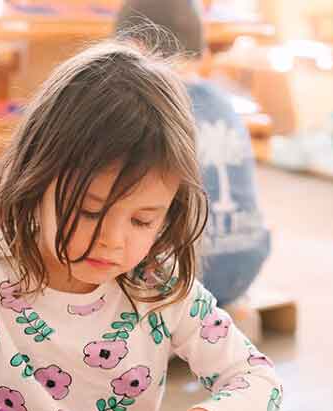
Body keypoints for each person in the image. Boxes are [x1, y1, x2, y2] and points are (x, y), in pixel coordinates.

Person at [0, 41, 282, 411]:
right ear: (35, 178)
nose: (113, 241)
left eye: (143, 220)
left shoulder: (156, 281)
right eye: (89, 212)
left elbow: (257, 378)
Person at [115, 0, 272, 311]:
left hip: (185, 278)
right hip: (245, 262)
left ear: (134, 46)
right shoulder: (224, 100)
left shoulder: (149, 105)